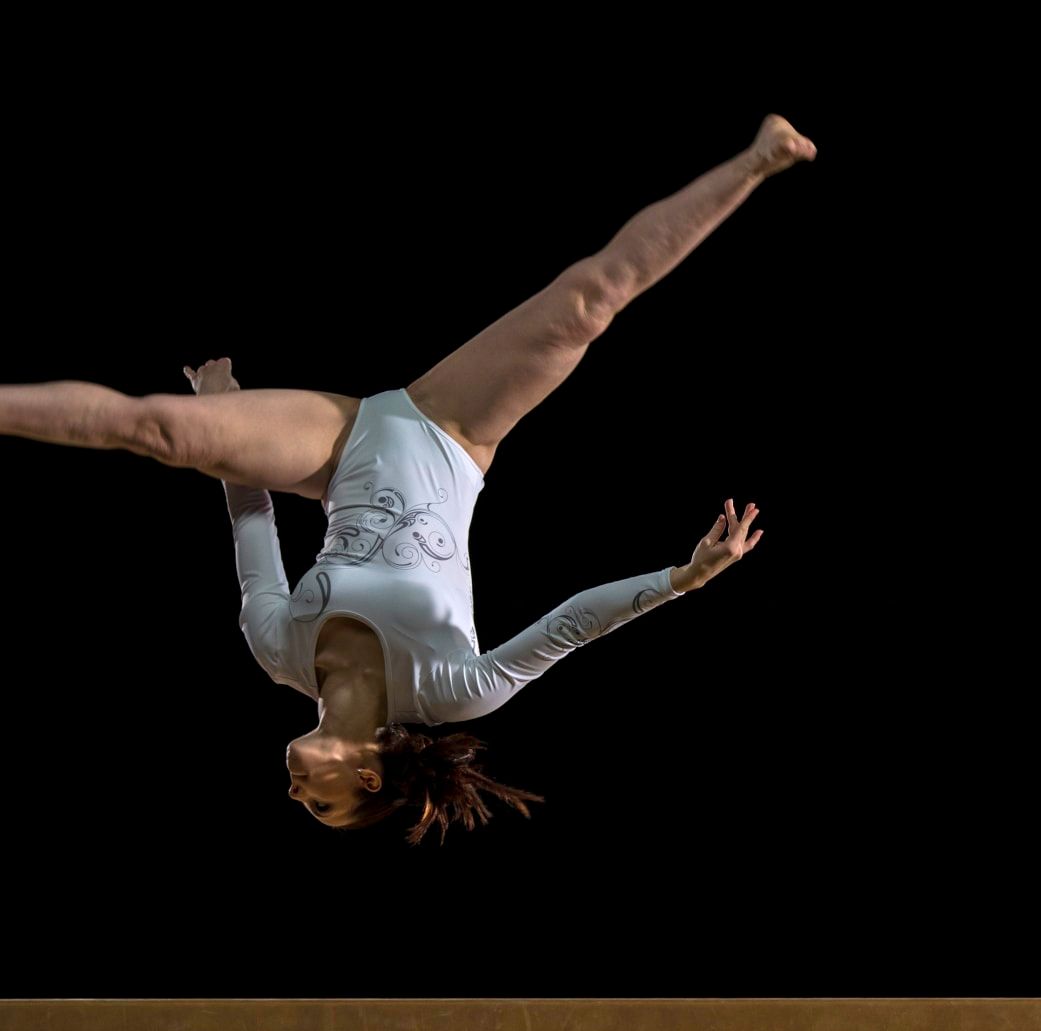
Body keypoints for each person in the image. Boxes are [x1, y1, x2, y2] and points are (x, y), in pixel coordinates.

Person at [1, 114, 815, 844]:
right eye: (322, 805)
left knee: (159, 431)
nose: (294, 796)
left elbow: (250, 520)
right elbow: (570, 626)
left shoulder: (277, 652)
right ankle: (757, 160)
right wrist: (682, 580)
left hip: (334, 449)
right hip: (449, 434)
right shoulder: (452, 690)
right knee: (586, 305)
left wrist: (219, 423)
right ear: (365, 777)